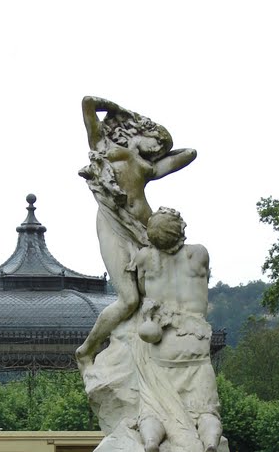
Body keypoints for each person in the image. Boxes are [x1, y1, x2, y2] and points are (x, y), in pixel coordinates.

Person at [77, 96, 196, 365]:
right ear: (138, 131)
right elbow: (87, 103)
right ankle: (86, 351)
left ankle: (149, 348)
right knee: (129, 299)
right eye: (156, 141)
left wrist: (157, 146)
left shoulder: (148, 166)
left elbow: (189, 154)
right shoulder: (102, 145)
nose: (157, 148)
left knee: (156, 291)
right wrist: (122, 112)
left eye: (160, 146)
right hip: (114, 223)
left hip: (146, 229)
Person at [133, 208, 222, 452]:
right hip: (196, 342)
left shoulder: (146, 258)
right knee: (206, 411)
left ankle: (151, 443)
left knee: (153, 409)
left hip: (162, 345)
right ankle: (209, 446)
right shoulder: (199, 255)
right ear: (180, 228)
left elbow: (139, 291)